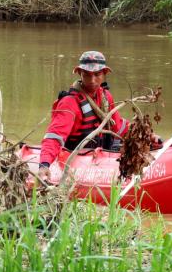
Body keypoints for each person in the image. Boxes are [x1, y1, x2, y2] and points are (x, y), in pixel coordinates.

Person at [38, 50, 148, 181]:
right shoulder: (69, 103)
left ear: (105, 74)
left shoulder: (105, 97)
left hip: (101, 154)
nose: (92, 80)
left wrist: (146, 138)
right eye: (87, 75)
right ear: (80, 73)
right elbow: (55, 136)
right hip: (78, 159)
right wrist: (44, 164)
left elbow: (118, 126)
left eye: (97, 74)